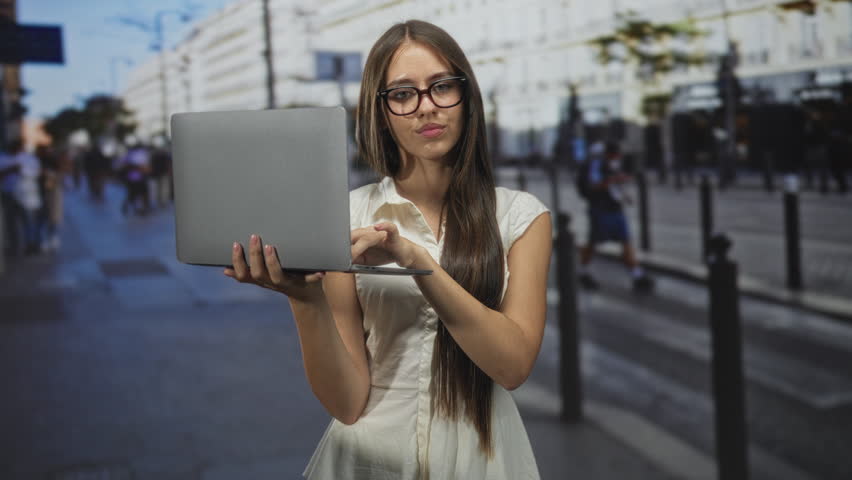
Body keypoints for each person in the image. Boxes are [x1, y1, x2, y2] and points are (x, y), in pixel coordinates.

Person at [224, 20, 551, 479]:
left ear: (466, 96)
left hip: (482, 459)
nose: (426, 108)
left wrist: (418, 262)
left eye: (441, 86)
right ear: (381, 112)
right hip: (367, 462)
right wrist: (306, 299)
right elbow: (347, 402)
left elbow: (513, 365)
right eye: (402, 94)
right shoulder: (348, 217)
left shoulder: (521, 216)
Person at [576, 140, 653, 292]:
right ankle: (583, 271)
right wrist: (613, 180)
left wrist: (624, 194)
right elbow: (595, 185)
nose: (618, 157)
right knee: (594, 242)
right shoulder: (596, 166)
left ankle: (637, 275)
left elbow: (614, 184)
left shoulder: (611, 165)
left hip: (614, 208)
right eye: (616, 155)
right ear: (609, 154)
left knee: (625, 241)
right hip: (600, 208)